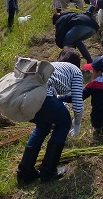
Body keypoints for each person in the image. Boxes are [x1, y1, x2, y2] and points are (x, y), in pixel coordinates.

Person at [16, 48, 84, 185]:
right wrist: (77, 122)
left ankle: (24, 172)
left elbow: (53, 96)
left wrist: (59, 109)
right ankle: (48, 170)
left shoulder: (52, 66)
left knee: (43, 126)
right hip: (42, 98)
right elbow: (77, 100)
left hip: (25, 100)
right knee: (64, 123)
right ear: (77, 63)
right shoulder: (76, 71)